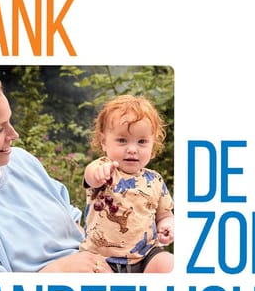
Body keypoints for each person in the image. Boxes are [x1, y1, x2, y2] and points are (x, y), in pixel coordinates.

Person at [0, 64, 109, 274]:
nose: (14, 134)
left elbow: (74, 225)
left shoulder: (22, 161)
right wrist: (57, 272)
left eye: (9, 122)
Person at [72, 95, 177, 274]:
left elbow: (164, 214)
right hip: (101, 258)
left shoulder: (156, 180)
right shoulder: (102, 167)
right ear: (104, 142)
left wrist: (167, 225)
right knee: (87, 271)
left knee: (168, 262)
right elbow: (91, 177)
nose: (132, 149)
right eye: (122, 140)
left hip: (146, 256)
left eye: (142, 142)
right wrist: (99, 175)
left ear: (153, 146)